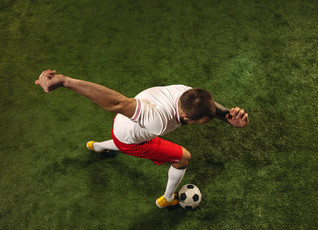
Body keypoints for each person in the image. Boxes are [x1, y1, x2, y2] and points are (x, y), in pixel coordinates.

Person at [35, 70, 249, 208]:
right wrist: (66, 81)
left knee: (120, 142)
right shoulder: (158, 118)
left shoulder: (187, 94)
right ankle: (167, 199)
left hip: (120, 128)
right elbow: (117, 103)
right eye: (200, 122)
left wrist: (228, 116)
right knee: (183, 157)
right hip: (131, 140)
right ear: (184, 117)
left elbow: (209, 107)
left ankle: (98, 146)